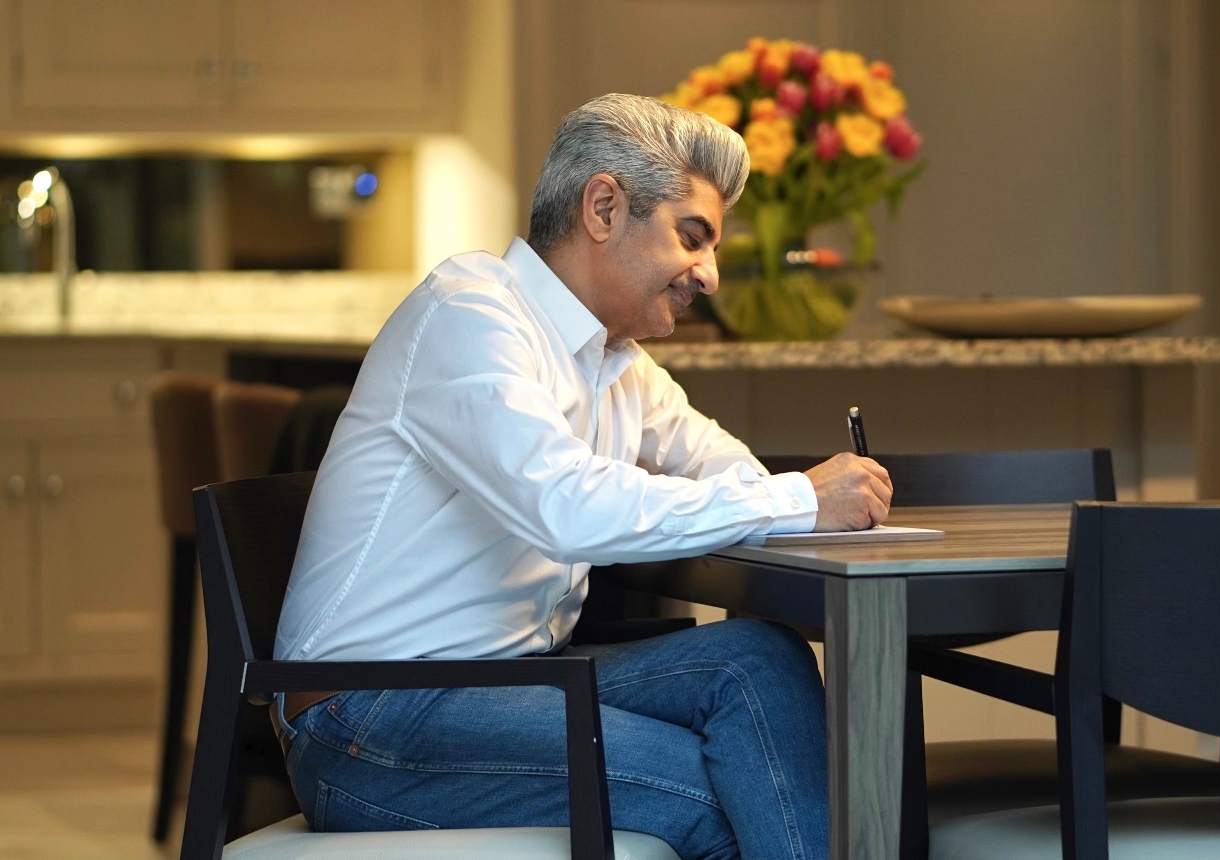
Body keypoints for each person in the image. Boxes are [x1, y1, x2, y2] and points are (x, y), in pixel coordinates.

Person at [273, 93, 893, 860]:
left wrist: (796, 498)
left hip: (511, 688)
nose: (710, 276)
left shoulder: (616, 361)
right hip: (371, 720)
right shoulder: (469, 314)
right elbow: (565, 505)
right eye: (691, 238)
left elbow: (717, 460)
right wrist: (800, 495)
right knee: (733, 795)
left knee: (757, 656)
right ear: (604, 206)